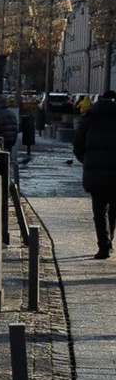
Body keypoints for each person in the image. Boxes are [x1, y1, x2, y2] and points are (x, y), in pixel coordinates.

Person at [72, 91, 116, 258]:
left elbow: (77, 144)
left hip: (95, 173)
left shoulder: (89, 119)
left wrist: (87, 161)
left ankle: (103, 246)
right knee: (113, 210)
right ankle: (109, 239)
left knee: (99, 210)